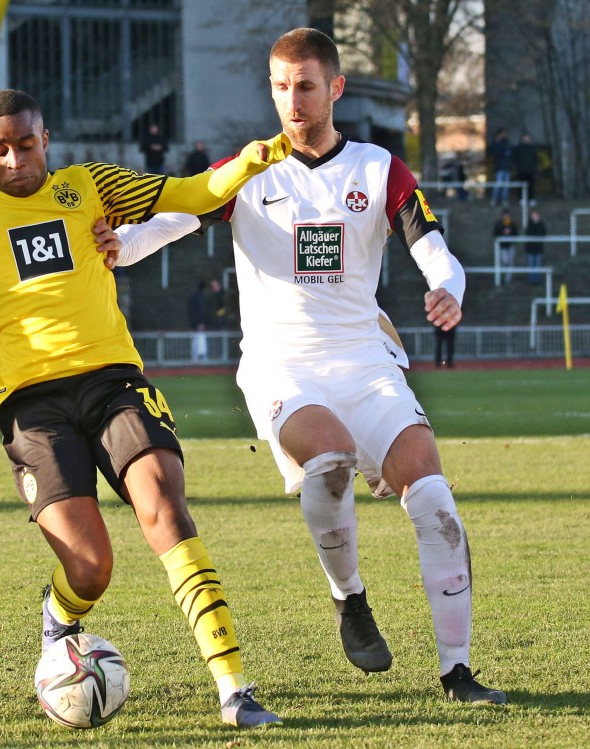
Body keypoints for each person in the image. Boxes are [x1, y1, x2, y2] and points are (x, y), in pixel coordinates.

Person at [0, 88, 291, 727]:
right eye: (0, 149)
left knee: (163, 503)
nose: (15, 159)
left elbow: (190, 194)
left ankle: (234, 691)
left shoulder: (89, 186)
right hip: (29, 403)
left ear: (44, 139)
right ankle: (62, 617)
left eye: (26, 144)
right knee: (91, 564)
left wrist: (249, 161)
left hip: (113, 377)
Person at [111, 28, 504, 705]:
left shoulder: (380, 169)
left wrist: (449, 289)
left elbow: (435, 248)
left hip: (366, 360)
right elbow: (170, 222)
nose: (291, 101)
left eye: (305, 86)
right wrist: (113, 244)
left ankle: (457, 671)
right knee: (328, 460)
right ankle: (349, 597)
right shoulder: (248, 170)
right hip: (281, 366)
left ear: (336, 89)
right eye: (279, 86)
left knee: (435, 499)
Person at [188, 278, 224, 361]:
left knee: (198, 340)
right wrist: (201, 322)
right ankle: (201, 358)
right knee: (201, 340)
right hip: (204, 323)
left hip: (201, 323)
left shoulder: (198, 296)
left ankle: (197, 358)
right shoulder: (203, 297)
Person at [486, 128, 513, 205]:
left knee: (506, 185)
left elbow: (509, 155)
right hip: (499, 167)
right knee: (498, 183)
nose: (504, 135)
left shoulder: (507, 143)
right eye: (502, 133)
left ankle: (504, 199)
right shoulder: (495, 143)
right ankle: (494, 198)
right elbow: (494, 153)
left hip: (507, 167)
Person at [524, 209, 547, 285]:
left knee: (537, 265)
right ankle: (531, 280)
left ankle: (537, 280)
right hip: (530, 249)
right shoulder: (529, 225)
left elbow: (543, 233)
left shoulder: (541, 225)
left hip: (538, 248)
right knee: (531, 265)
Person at [513, 133, 538, 201]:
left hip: (530, 171)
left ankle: (531, 198)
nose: (527, 140)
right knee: (521, 186)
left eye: (528, 138)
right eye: (525, 138)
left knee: (531, 186)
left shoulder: (532, 149)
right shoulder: (518, 149)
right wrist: (518, 167)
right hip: (521, 171)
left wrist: (534, 168)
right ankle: (521, 198)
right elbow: (515, 159)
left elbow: (535, 159)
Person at [492, 210, 517, 278]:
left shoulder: (512, 224)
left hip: (510, 245)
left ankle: (508, 278)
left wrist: (510, 235)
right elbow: (495, 234)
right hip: (503, 246)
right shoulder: (499, 224)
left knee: (510, 262)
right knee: (505, 261)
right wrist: (503, 233)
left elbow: (515, 234)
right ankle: (503, 275)